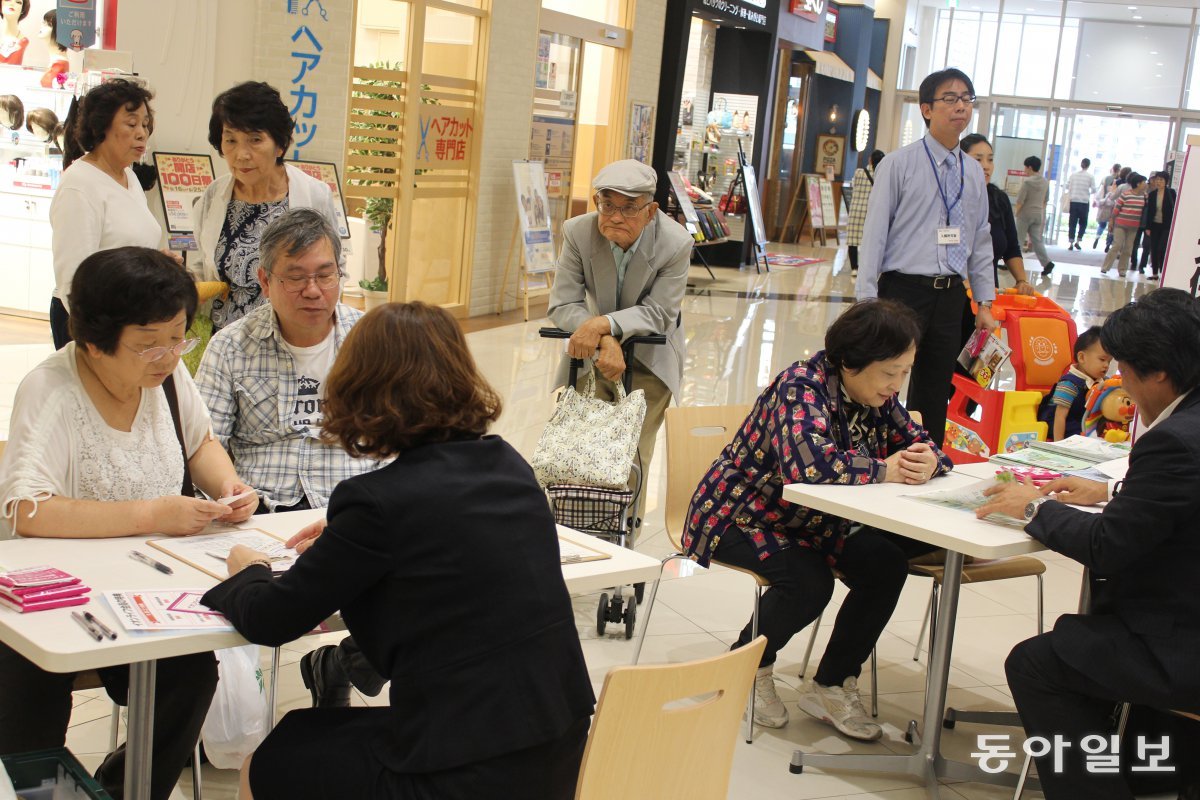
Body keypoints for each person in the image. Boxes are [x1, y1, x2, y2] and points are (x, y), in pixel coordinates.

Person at [201, 301, 596, 800]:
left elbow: (271, 620)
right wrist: (350, 534)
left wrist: (248, 569)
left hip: (459, 770)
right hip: (556, 747)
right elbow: (442, 539)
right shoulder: (507, 464)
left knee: (270, 759)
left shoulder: (377, 504)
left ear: (360, 389)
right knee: (313, 736)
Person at [0, 247, 258, 800]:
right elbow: (28, 510)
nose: (167, 356)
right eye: (147, 344)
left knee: (190, 678)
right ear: (93, 343)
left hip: (149, 587)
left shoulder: (165, 377)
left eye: (178, 336)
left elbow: (201, 443)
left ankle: (121, 792)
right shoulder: (51, 390)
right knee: (26, 691)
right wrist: (151, 514)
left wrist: (227, 487)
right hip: (59, 596)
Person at [682, 300, 950, 741]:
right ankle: (747, 668)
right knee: (808, 582)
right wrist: (886, 469)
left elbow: (923, 441)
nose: (897, 384)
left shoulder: (879, 395)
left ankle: (831, 684)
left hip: (815, 520)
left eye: (905, 372)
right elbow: (808, 465)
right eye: (890, 372)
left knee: (884, 564)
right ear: (850, 362)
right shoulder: (800, 387)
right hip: (741, 513)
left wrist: (928, 461)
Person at [978, 288, 1200, 800]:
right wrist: (1113, 490)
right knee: (1084, 639)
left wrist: (1033, 507)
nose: (1118, 382)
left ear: (1159, 373)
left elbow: (1106, 546)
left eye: (1123, 369)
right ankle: (1158, 775)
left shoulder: (1172, 441)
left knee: (1038, 663)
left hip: (1183, 647)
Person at [195, 207, 384, 708]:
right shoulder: (231, 346)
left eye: (325, 275)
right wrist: (226, 489)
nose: (314, 291)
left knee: (425, 584)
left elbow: (398, 436)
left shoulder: (370, 341)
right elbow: (202, 438)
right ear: (264, 280)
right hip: (258, 514)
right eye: (296, 277)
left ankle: (341, 662)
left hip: (350, 510)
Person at [547, 159, 692, 530]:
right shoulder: (579, 232)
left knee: (632, 446)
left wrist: (604, 324)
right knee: (582, 439)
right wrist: (604, 337)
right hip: (594, 351)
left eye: (629, 208)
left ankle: (626, 525)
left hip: (652, 354)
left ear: (651, 211)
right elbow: (563, 304)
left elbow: (660, 312)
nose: (615, 216)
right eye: (607, 205)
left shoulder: (675, 242)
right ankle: (576, 524)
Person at [857, 67, 998, 450]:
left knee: (935, 387)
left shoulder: (972, 171)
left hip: (950, 294)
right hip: (902, 290)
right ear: (926, 109)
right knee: (883, 379)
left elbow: (980, 238)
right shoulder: (899, 165)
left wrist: (985, 301)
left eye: (967, 99)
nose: (960, 107)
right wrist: (866, 300)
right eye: (950, 99)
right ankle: (874, 456)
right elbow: (875, 234)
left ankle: (925, 459)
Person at [191, 82, 343, 333]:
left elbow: (334, 269)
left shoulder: (313, 195)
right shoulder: (213, 196)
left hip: (291, 337)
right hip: (227, 341)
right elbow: (207, 265)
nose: (241, 154)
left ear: (280, 145)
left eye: (255, 140)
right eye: (230, 140)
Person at [49, 79, 167, 350]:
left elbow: (125, 241)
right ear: (102, 126)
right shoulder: (80, 185)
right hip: (94, 326)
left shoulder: (127, 175)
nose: (142, 133)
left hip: (131, 317)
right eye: (131, 123)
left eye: (145, 124)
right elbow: (73, 279)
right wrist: (101, 339)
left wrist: (158, 262)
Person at [960, 135, 1036, 293]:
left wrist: (1021, 280)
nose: (986, 166)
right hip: (954, 291)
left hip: (987, 293)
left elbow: (1011, 248)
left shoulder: (999, 200)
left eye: (990, 159)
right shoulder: (949, 198)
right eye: (978, 159)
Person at [1036, 326, 1111, 441]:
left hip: (1081, 420)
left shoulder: (1103, 381)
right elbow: (1060, 416)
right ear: (1081, 357)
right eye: (1102, 359)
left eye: (1109, 361)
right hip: (1060, 423)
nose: (1106, 365)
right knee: (1084, 431)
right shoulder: (1069, 384)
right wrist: (1059, 444)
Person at [845, 149, 885, 276]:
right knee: (870, 240)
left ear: (870, 160)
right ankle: (867, 267)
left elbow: (854, 185)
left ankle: (854, 268)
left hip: (856, 210)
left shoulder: (859, 172)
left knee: (853, 240)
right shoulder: (882, 174)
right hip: (872, 211)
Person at [1013, 155, 1055, 275]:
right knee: (1037, 241)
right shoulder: (1045, 182)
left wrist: (1017, 213)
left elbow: (1020, 200)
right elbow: (1045, 200)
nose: (1025, 170)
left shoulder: (1027, 182)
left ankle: (1013, 265)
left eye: (1025, 167)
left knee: (1018, 240)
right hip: (1038, 214)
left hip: (1025, 213)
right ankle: (1047, 263)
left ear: (1030, 167)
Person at [1100, 172, 1146, 278]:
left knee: (1128, 248)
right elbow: (1116, 209)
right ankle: (1105, 267)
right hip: (1120, 224)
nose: (1145, 184)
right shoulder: (1126, 194)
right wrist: (1111, 221)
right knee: (1117, 245)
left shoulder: (1144, 196)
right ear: (1138, 184)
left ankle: (1122, 270)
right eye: (1144, 182)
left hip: (1134, 226)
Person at [1140, 171, 1175, 279]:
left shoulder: (1171, 193)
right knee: (1154, 248)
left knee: (1162, 248)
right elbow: (1149, 212)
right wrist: (1147, 227)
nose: (1159, 182)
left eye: (1161, 180)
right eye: (1157, 179)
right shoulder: (1152, 194)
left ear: (1166, 182)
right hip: (1154, 225)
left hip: (1166, 225)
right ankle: (1155, 273)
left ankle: (1163, 271)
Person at [1065, 158, 1095, 250]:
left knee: (1072, 222)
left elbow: (1067, 186)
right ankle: (1078, 241)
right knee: (1083, 223)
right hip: (1084, 202)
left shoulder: (1073, 175)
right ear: (1088, 165)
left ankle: (1070, 243)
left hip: (1073, 201)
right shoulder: (1090, 176)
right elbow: (1094, 189)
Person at [0, 0, 29, 65]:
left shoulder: (22, 41)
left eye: (18, 2)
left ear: (22, 10)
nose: (12, 3)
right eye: (8, 0)